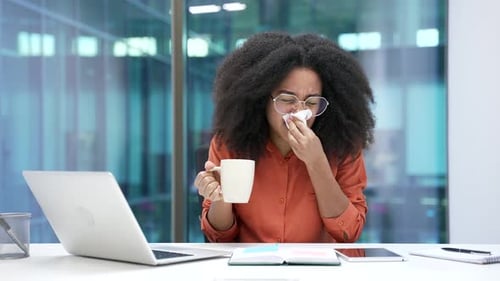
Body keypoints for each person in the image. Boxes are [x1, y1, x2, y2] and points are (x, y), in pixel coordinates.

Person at [194, 31, 375, 243]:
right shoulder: (230, 142)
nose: (299, 111)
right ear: (261, 98)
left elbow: (349, 233)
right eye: (287, 99)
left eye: (311, 102)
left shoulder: (344, 146)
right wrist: (220, 197)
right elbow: (219, 237)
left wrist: (317, 162)